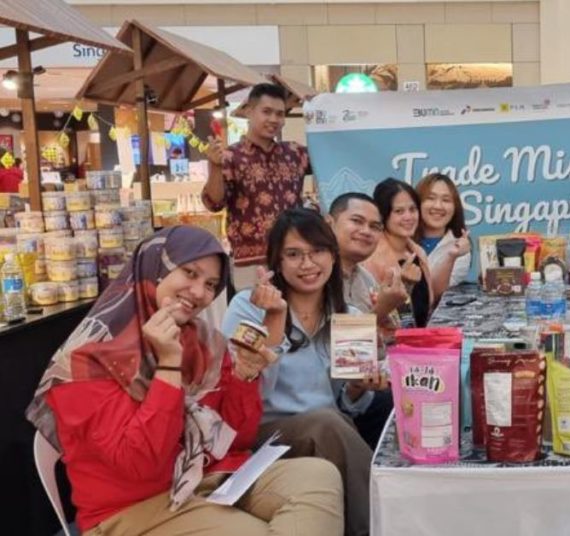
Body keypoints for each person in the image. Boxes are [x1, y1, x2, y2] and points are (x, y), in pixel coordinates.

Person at [25, 226, 342, 535]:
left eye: (211, 284)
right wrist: (168, 366)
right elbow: (140, 464)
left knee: (319, 476)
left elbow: (236, 440)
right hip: (131, 508)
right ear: (154, 268)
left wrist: (245, 374)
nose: (200, 292)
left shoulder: (202, 343)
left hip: (205, 477)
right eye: (190, 273)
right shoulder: (88, 358)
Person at [222, 208, 385, 536]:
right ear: (276, 263)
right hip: (262, 433)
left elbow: (346, 405)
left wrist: (357, 389)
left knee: (337, 419)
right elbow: (250, 393)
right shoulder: (246, 306)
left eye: (317, 252)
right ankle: (382, 525)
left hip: (329, 429)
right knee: (325, 423)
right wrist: (274, 319)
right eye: (294, 254)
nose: (308, 265)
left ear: (333, 256)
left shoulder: (348, 315)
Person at [202, 83, 311, 290]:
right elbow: (214, 203)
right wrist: (215, 167)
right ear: (249, 111)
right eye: (267, 112)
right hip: (250, 264)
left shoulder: (295, 153)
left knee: (294, 318)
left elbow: (330, 159)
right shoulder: (230, 157)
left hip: (294, 256)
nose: (274, 119)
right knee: (253, 319)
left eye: (279, 114)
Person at [328, 192, 409, 328]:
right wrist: (382, 310)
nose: (366, 231)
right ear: (329, 223)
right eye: (357, 221)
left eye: (374, 227)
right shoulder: (313, 273)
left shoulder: (366, 278)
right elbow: (331, 341)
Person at [364, 178, 433, 328]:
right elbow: (377, 319)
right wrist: (405, 284)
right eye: (399, 211)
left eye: (412, 209)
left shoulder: (418, 252)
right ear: (383, 215)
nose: (408, 217)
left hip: (422, 340)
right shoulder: (372, 260)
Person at [415, 173, 472, 298]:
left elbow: (437, 294)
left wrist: (451, 257)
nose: (438, 206)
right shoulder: (400, 239)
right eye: (430, 198)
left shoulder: (461, 248)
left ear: (455, 207)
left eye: (446, 200)